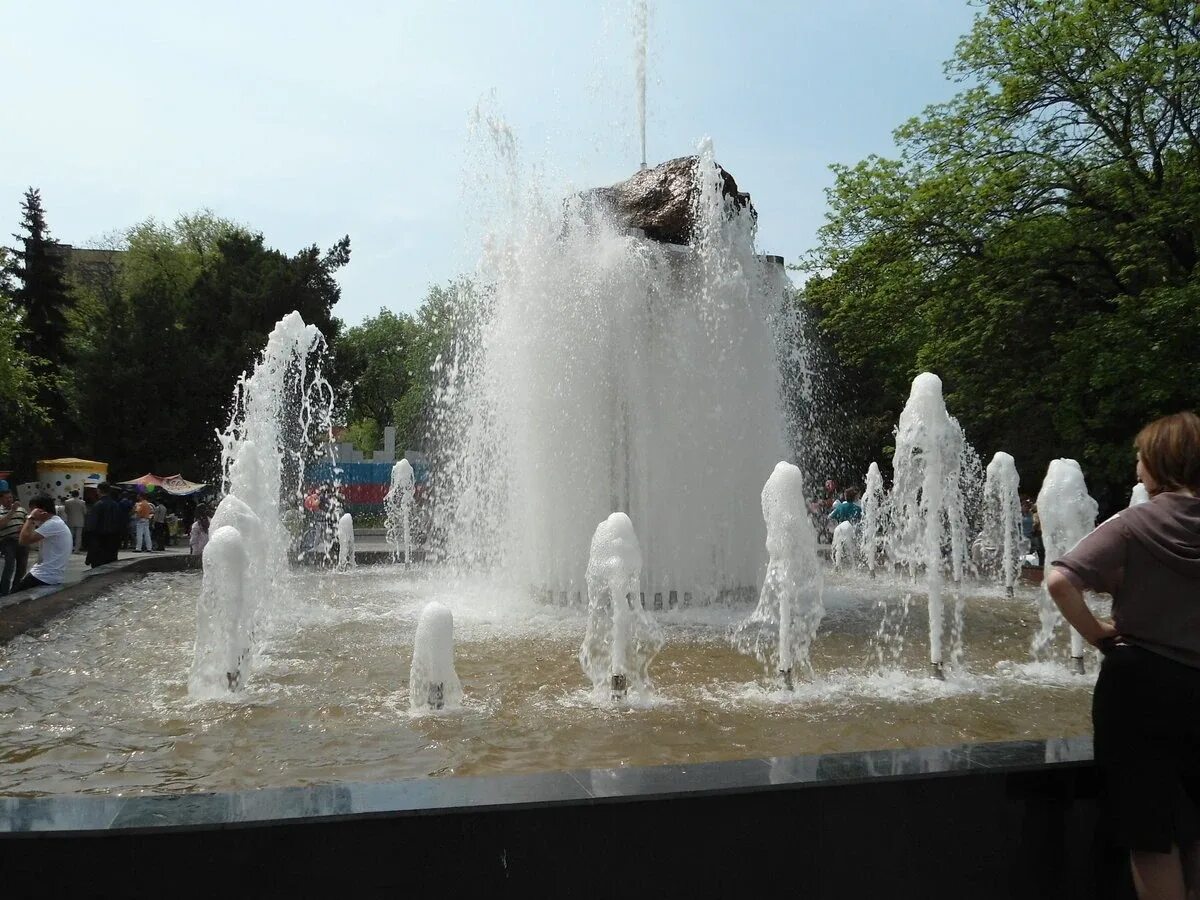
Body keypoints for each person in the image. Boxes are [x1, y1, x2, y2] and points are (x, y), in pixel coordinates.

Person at [1046, 411, 1200, 898]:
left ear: (1160, 461)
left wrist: (1097, 635)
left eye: (1140, 456)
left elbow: (1059, 580)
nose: (1135, 466)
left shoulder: (1133, 524)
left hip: (1140, 684)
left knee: (1148, 831)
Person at [15, 495, 72, 590]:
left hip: (44, 575)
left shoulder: (52, 524)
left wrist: (30, 518)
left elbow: (23, 541)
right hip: (51, 574)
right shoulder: (55, 522)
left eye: (32, 510)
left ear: (42, 510)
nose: (30, 512)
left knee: (11, 601)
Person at [84, 482, 125, 567]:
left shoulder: (97, 505)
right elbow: (121, 522)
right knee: (110, 566)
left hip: (99, 540)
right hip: (113, 539)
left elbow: (92, 525)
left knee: (98, 565)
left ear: (99, 491)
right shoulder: (116, 505)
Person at [0, 484, 28, 595]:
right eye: (7, 498)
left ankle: (16, 590)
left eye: (11, 497)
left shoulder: (21, 509)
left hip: (22, 540)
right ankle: (4, 591)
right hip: (8, 541)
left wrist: (25, 527)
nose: (10, 500)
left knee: (22, 567)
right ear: (1, 499)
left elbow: (29, 521)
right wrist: (12, 511)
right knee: (9, 565)